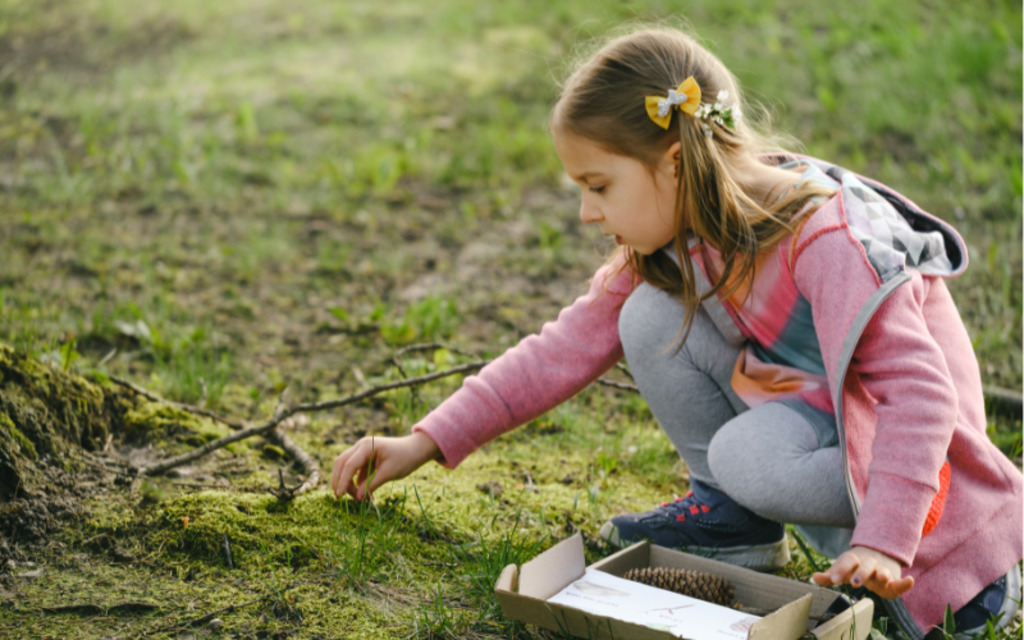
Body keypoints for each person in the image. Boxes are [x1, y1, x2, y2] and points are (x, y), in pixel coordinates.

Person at [331, 26, 1023, 639]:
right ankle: (733, 523)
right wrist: (425, 440)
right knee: (649, 316)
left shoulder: (828, 238)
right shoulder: (680, 237)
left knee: (748, 455)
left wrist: (887, 544)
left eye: (598, 186)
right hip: (831, 426)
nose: (584, 212)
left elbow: (922, 399)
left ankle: (922, 572)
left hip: (938, 499)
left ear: (672, 160)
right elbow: (562, 349)